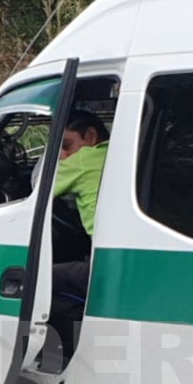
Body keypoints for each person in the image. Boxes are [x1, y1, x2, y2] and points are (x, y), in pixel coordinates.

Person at [50, 110, 110, 299]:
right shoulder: (117, 154)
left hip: (102, 263)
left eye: (67, 145)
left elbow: (39, 188)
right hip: (118, 254)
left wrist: (53, 153)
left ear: (91, 136)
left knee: (33, 279)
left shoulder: (84, 159)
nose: (65, 155)